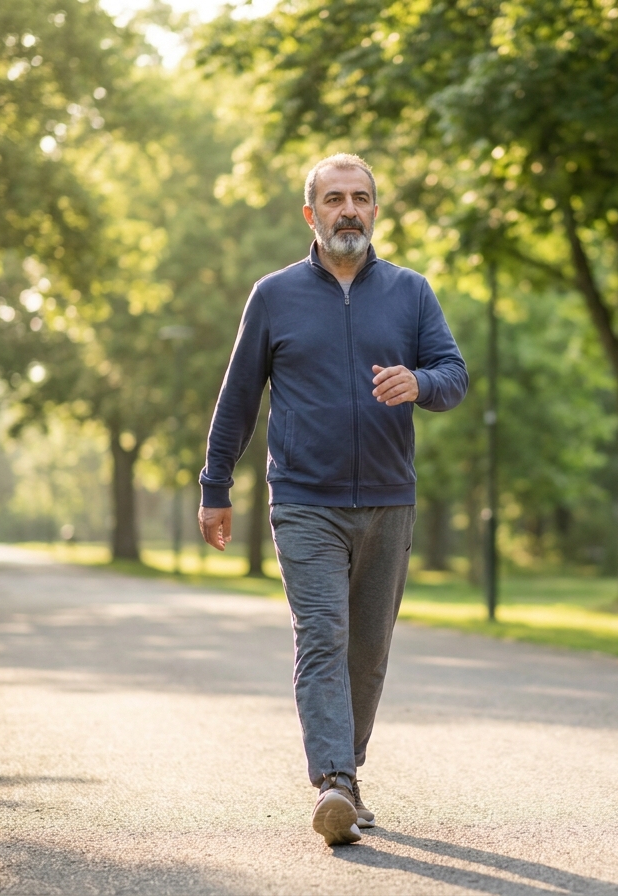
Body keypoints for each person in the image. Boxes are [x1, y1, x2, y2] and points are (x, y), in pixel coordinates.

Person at [197, 153, 468, 846]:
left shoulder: (411, 292)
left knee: (367, 653)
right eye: (335, 198)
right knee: (323, 635)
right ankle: (334, 784)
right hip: (303, 500)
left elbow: (454, 374)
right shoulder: (274, 295)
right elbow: (238, 397)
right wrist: (215, 485)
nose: (349, 209)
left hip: (389, 499)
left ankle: (348, 775)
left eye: (361, 198)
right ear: (310, 212)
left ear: (375, 210)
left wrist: (421, 383)